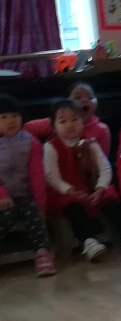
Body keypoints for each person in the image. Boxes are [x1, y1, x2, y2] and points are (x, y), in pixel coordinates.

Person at [43, 101, 121, 262]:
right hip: (66, 192)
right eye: (63, 121)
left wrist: (100, 188)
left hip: (92, 187)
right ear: (53, 126)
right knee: (74, 210)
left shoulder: (91, 143)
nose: (70, 125)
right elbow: (52, 176)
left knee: (111, 202)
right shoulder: (51, 147)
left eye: (75, 119)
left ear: (82, 121)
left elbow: (105, 168)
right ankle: (89, 241)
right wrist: (70, 191)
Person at [0, 95, 56, 276]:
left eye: (15, 116)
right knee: (6, 213)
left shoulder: (30, 142)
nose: (10, 121)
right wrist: (2, 194)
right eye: (3, 117)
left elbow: (37, 175)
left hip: (25, 196)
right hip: (2, 198)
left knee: (32, 211)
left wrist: (41, 205)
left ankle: (42, 252)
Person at [26, 82, 112, 156]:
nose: (85, 100)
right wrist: (38, 150)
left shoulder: (101, 130)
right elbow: (26, 128)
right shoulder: (57, 122)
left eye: (90, 97)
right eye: (78, 97)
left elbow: (103, 160)